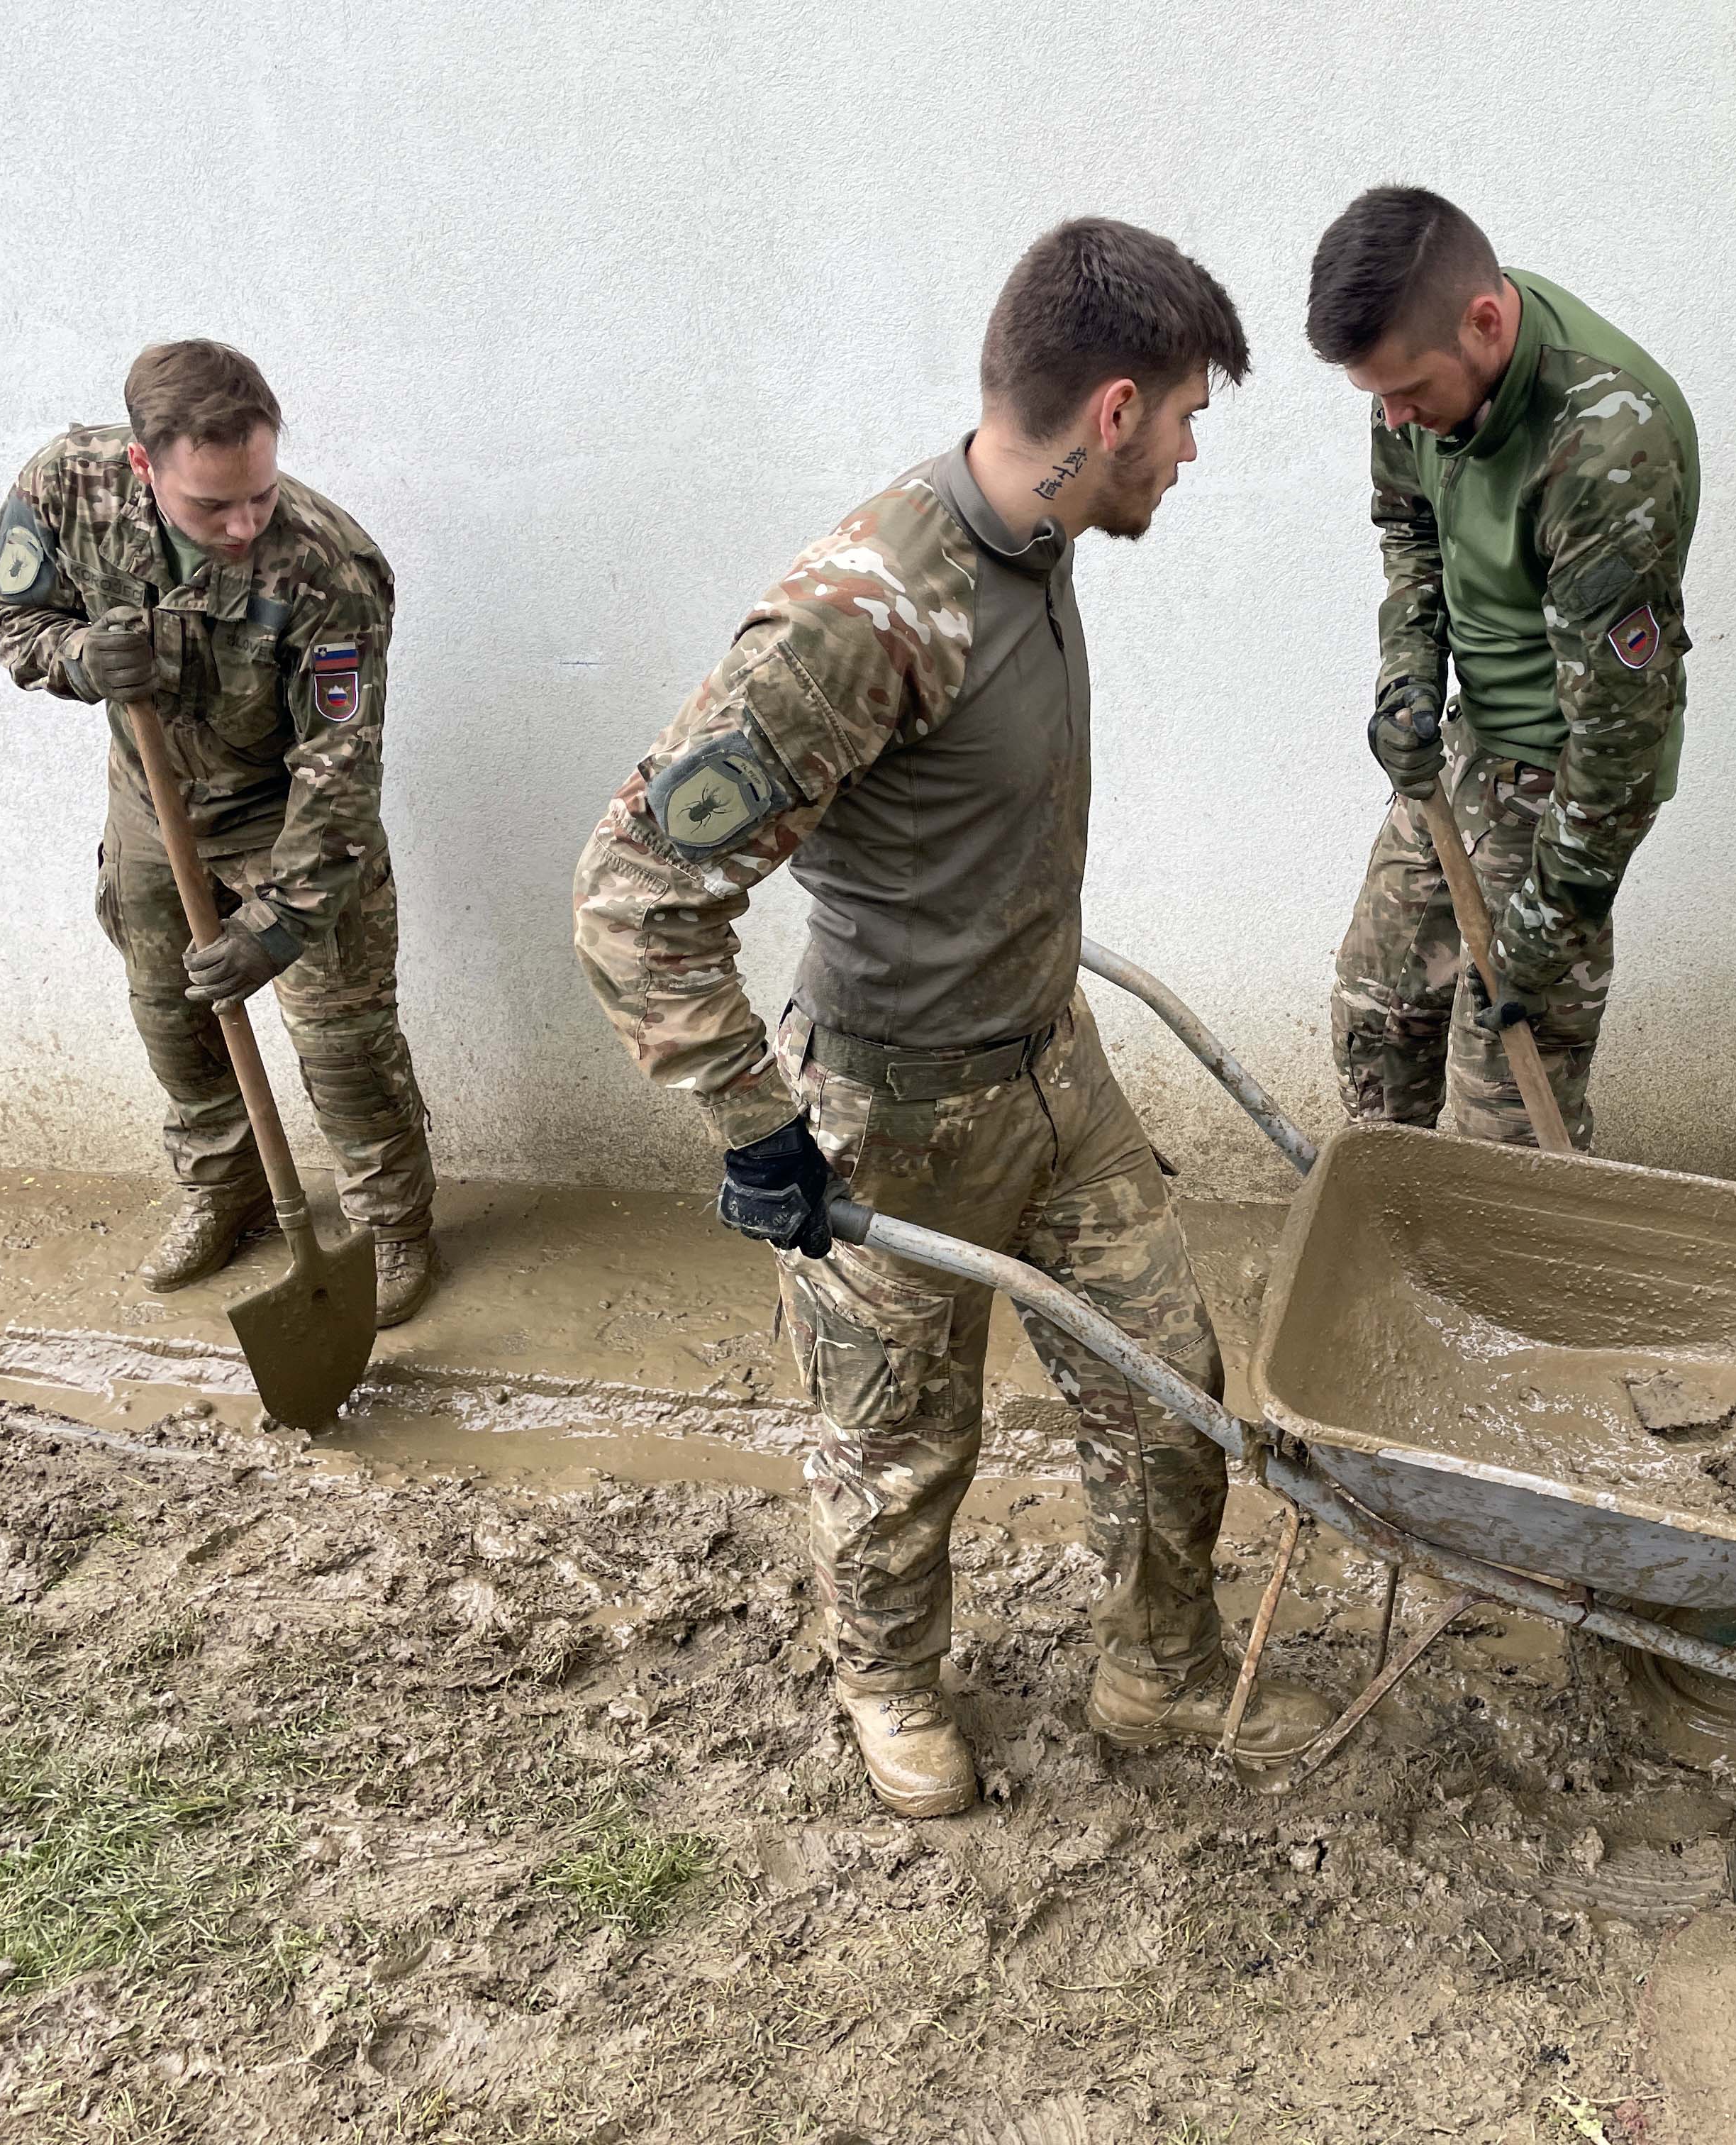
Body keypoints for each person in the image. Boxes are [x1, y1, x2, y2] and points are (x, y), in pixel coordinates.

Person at [572, 220, 1331, 1819]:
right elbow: (638, 883)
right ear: (1112, 413)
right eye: (1189, 417)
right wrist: (755, 1125)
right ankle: (890, 1680)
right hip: (890, 1115)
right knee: (899, 1455)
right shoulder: (870, 608)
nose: (1193, 455)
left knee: (1172, 1386)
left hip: (1058, 1071)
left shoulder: (1040, 549)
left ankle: (1159, 1663)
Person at [0, 342, 439, 1326]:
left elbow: (339, 778)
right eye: (210, 507)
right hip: (156, 811)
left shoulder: (330, 572)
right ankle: (224, 1194)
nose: (242, 526)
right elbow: (9, 613)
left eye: (259, 495)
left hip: (288, 821)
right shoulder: (67, 487)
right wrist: (76, 657)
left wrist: (278, 927)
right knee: (172, 1018)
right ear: (144, 466)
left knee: (344, 1043)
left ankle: (392, 1226)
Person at [1308, 187, 1700, 1148]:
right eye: (1375, 398)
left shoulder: (1607, 443)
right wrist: (1409, 678)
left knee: (1508, 1104)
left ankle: (1516, 1289)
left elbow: (1617, 736)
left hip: (1572, 782)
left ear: (1485, 323)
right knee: (1377, 1019)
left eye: (1407, 391)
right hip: (1463, 754)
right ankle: (1397, 1258)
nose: (1393, 420)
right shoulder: (1409, 391)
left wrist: (1550, 920)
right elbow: (1410, 531)